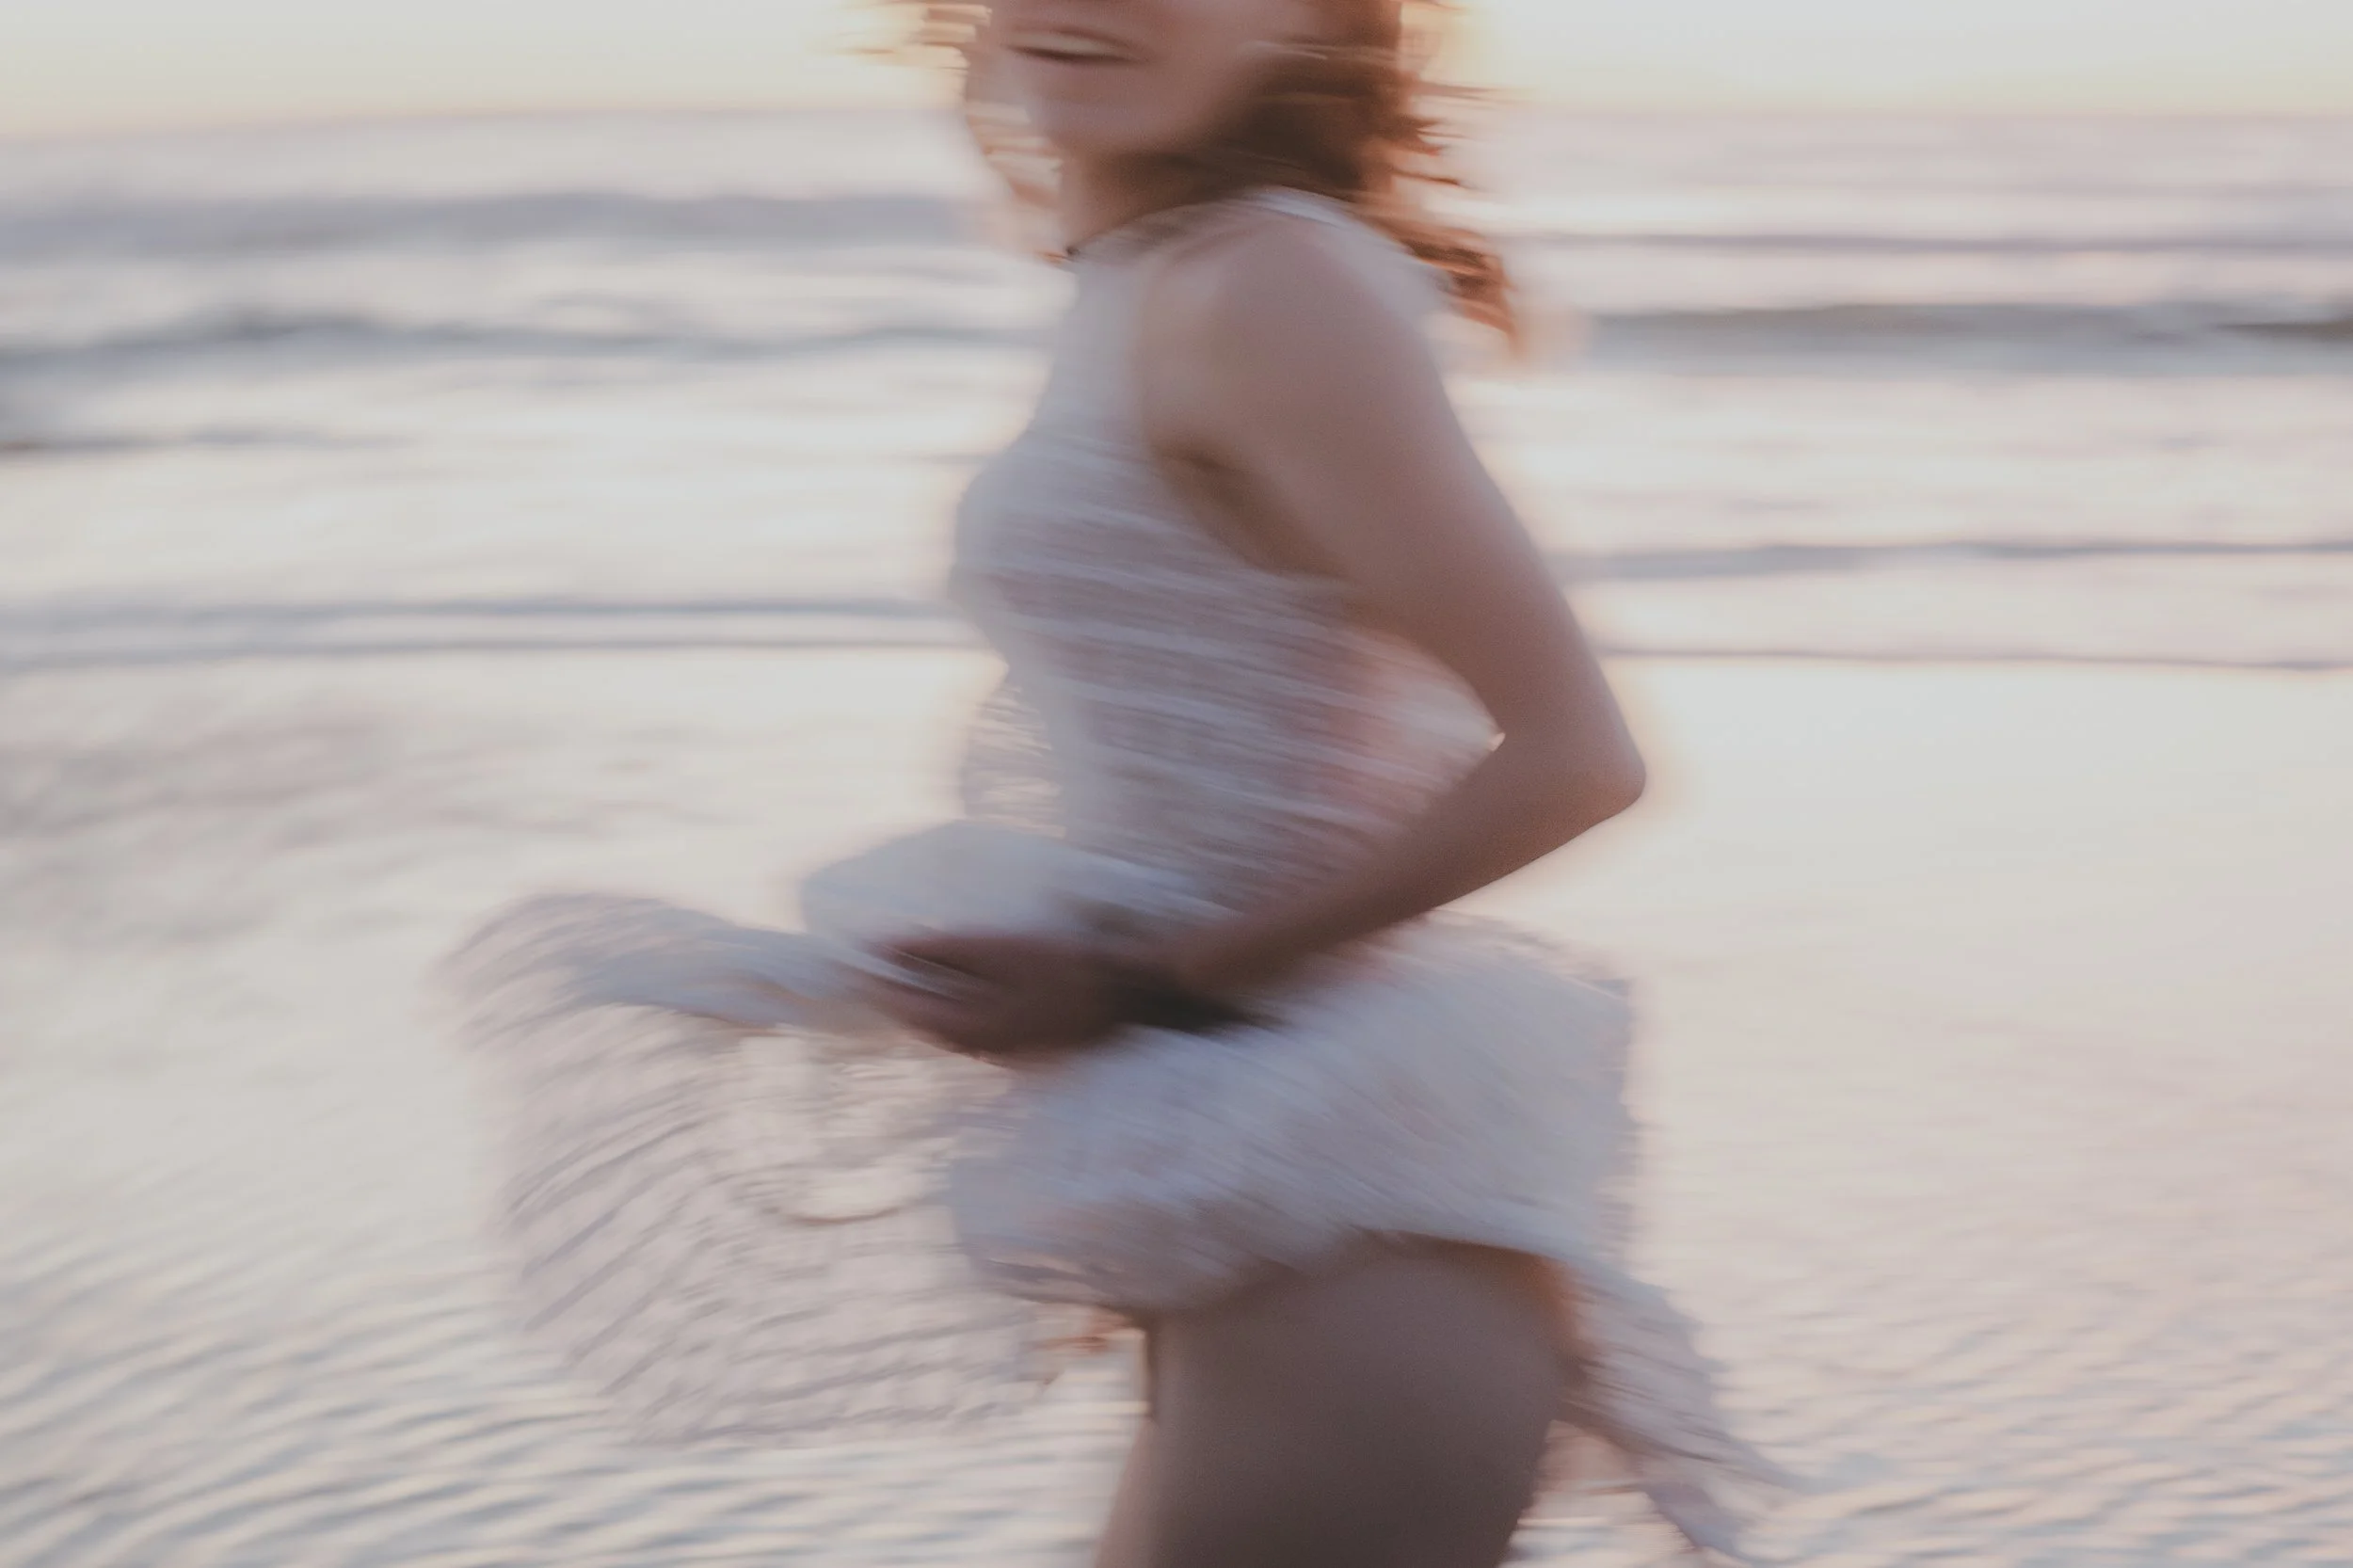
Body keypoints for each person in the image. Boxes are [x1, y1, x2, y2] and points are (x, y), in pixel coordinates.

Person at [448, 3, 1790, 1563]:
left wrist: (1141, 980)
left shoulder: (1269, 280)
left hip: (1345, 1219)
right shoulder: (1154, 271)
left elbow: (1577, 756)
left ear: (1311, 28)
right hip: (1267, 1192)